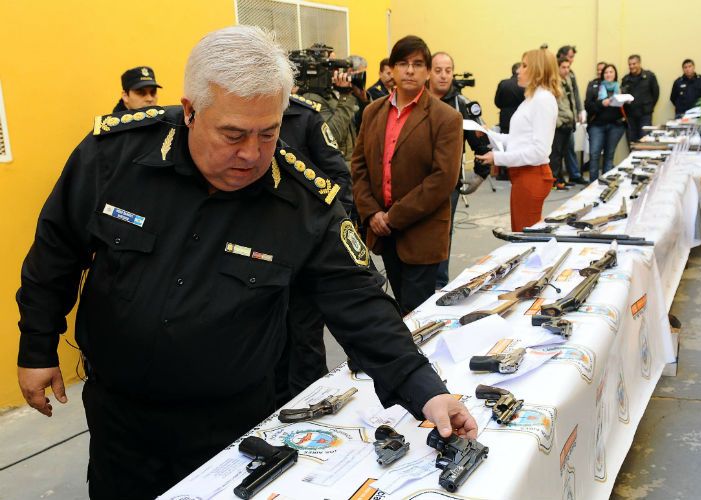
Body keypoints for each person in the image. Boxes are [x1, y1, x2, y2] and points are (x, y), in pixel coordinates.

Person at [16, 26, 476, 499]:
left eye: (268, 134)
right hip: (119, 418)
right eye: (233, 134)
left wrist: (426, 389)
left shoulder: (301, 201)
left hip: (232, 430)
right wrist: (37, 344)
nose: (251, 154)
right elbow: (57, 248)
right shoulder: (113, 157)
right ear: (191, 111)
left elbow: (360, 301)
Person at [351, 35, 463, 315]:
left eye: (417, 64)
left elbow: (442, 180)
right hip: (383, 231)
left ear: (426, 71)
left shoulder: (446, 118)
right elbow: (359, 166)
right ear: (392, 69)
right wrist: (372, 212)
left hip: (421, 233)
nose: (410, 70)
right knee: (399, 309)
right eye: (402, 63)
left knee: (417, 314)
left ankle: (417, 360)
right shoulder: (372, 112)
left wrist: (393, 217)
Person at [275, 93, 353, 406]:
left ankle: (314, 408)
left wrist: (324, 236)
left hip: (303, 255)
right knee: (268, 348)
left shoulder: (304, 117)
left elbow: (339, 179)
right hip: (255, 259)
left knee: (305, 343)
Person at [475, 47, 559, 232]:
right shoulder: (532, 98)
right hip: (524, 175)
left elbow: (539, 151)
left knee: (524, 237)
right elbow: (518, 139)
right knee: (522, 232)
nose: (518, 70)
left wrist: (497, 158)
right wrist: (490, 134)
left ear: (537, 70)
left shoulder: (542, 100)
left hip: (532, 175)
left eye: (524, 65)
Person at [428, 51, 490, 288]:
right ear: (429, 72)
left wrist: (480, 174)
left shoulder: (462, 105)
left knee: (443, 234)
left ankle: (438, 285)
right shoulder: (417, 100)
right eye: (438, 70)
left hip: (447, 185)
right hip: (413, 182)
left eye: (448, 70)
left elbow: (481, 143)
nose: (443, 76)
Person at [302, 47, 360, 164]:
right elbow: (332, 135)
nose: (338, 71)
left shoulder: (331, 92)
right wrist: (345, 96)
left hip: (348, 161)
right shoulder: (311, 97)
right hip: (335, 166)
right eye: (332, 66)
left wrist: (360, 95)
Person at [585, 63, 626, 180]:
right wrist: (601, 103)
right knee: (594, 154)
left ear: (615, 74)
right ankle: (592, 184)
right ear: (603, 74)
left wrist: (626, 101)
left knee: (609, 156)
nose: (608, 74)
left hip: (616, 126)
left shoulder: (620, 88)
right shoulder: (595, 87)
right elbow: (588, 105)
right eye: (606, 72)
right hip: (597, 126)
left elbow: (627, 109)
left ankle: (606, 185)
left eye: (611, 72)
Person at [557, 45, 586, 187]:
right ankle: (559, 178)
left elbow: (575, 94)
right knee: (558, 151)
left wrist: (579, 111)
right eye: (570, 57)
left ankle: (574, 175)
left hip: (570, 117)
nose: (572, 61)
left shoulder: (570, 74)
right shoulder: (554, 76)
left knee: (570, 147)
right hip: (560, 119)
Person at [550, 57, 578, 190]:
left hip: (568, 121)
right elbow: (552, 104)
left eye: (568, 67)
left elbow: (571, 100)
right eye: (563, 67)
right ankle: (554, 180)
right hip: (559, 123)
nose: (567, 70)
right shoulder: (553, 82)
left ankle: (561, 178)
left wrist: (574, 117)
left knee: (562, 153)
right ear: (557, 68)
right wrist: (558, 122)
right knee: (555, 153)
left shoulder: (568, 80)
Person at [621, 55, 659, 143]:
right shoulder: (625, 79)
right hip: (630, 116)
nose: (631, 66)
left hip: (645, 115)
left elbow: (655, 94)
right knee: (632, 142)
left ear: (639, 63)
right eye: (629, 64)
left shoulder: (650, 76)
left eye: (634, 64)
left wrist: (649, 107)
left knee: (645, 141)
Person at [494, 62, 525, 134]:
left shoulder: (503, 83)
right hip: (521, 120)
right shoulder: (525, 84)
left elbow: (497, 102)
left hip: (505, 120)